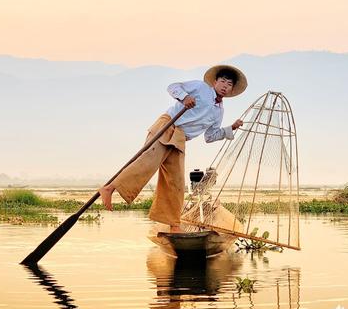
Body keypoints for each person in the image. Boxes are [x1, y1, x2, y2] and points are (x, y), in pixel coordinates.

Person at [99, 65, 247, 232]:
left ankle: (174, 224)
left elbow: (210, 136)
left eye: (229, 84)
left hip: (180, 138)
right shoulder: (201, 88)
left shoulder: (219, 111)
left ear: (232, 89)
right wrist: (184, 98)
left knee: (175, 180)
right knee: (147, 162)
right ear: (215, 82)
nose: (225, 86)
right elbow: (173, 87)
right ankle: (109, 188)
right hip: (168, 125)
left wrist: (231, 128)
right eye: (223, 81)